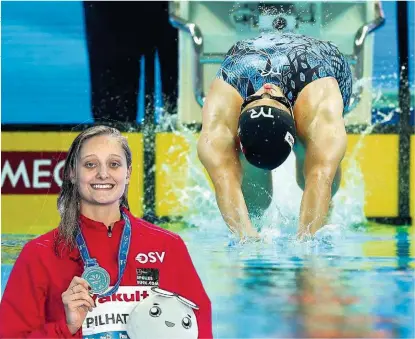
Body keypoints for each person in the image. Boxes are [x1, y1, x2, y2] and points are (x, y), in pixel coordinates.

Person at [0, 126, 212, 338]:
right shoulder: (40, 255)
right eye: (90, 164)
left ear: (128, 173)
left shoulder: (167, 246)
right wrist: (66, 328)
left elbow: (199, 328)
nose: (103, 174)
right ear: (72, 173)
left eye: (114, 164)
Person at [197, 32, 352, 241]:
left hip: (318, 65)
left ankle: (326, 208)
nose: (266, 89)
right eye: (258, 98)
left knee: (319, 161)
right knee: (256, 201)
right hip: (254, 61)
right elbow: (224, 179)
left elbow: (320, 176)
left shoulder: (319, 103)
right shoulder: (221, 125)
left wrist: (306, 242)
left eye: (263, 97)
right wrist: (247, 238)